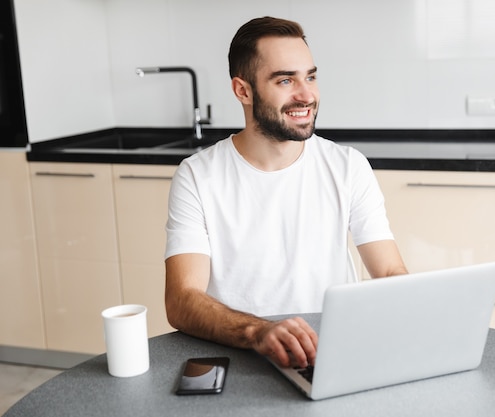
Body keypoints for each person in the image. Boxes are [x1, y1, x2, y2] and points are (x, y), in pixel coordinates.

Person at [164, 16, 407, 370]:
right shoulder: (197, 177)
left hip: (328, 356)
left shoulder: (348, 166)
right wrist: (258, 331)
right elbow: (182, 300)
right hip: (240, 355)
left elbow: (388, 272)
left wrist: (415, 311)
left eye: (310, 76)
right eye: (285, 80)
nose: (306, 94)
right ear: (242, 91)